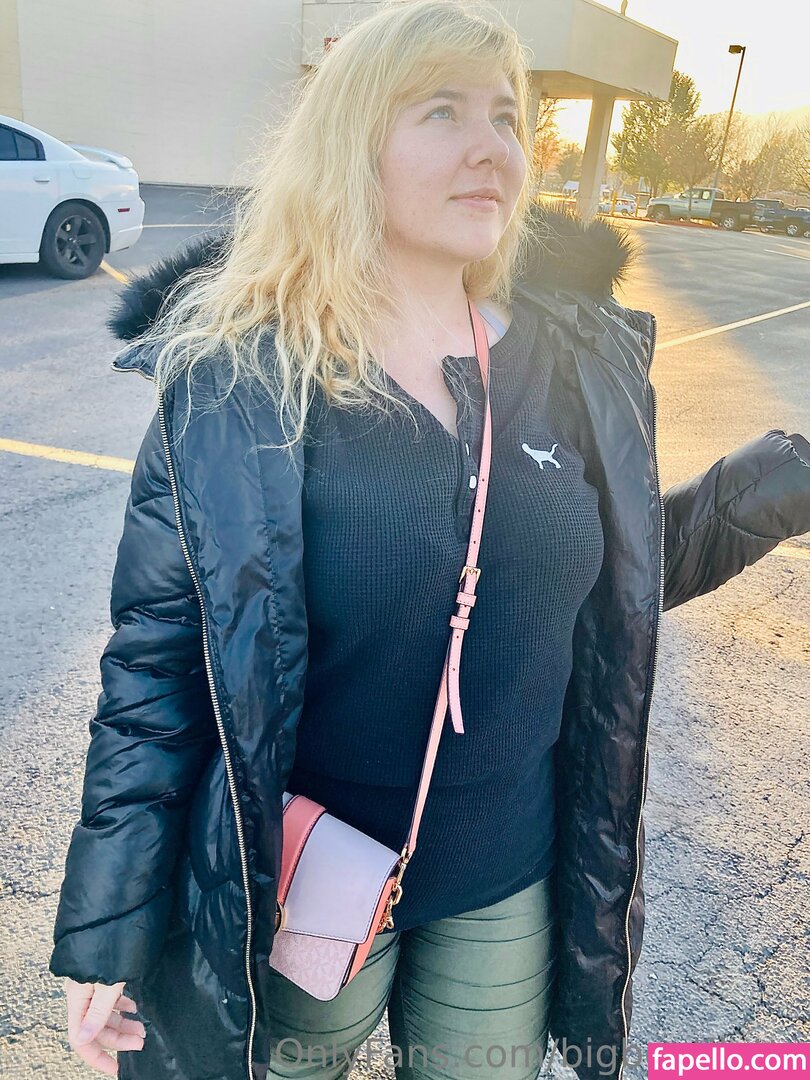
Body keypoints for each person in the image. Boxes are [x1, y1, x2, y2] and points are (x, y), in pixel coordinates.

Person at [49, 3, 810, 1080]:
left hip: (503, 879)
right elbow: (155, 669)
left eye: (507, 116)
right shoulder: (239, 377)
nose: (490, 146)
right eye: (443, 111)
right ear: (352, 146)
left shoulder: (573, 360)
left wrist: (784, 480)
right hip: (300, 872)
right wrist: (108, 928)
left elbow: (609, 580)